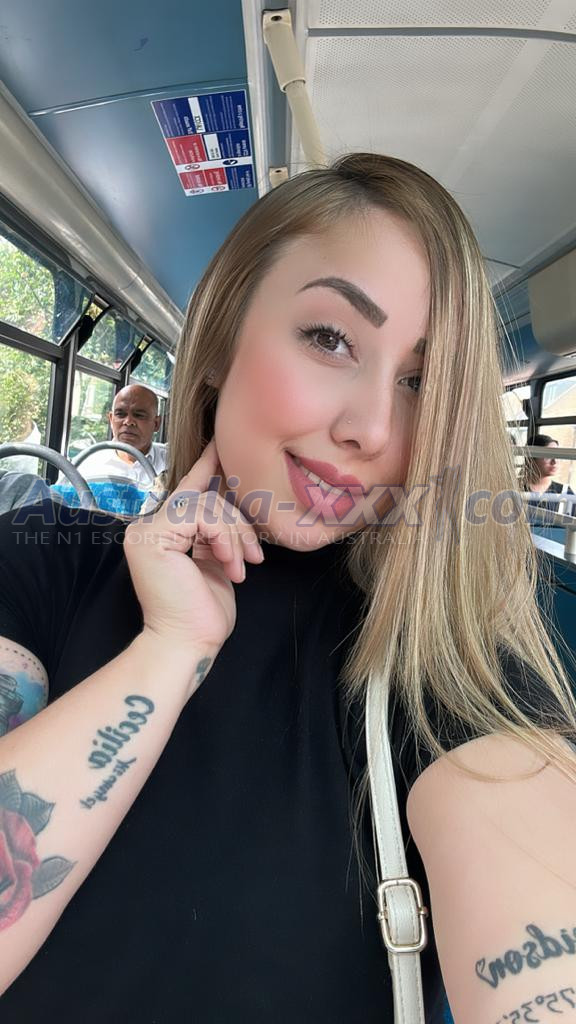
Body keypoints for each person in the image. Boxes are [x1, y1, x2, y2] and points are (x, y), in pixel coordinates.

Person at [0, 153, 574, 1024]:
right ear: (221, 343)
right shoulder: (39, 559)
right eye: (331, 339)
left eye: (420, 381)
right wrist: (169, 649)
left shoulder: (450, 668)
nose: (371, 428)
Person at [71, 383, 166, 488]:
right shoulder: (86, 463)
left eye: (139, 415)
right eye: (120, 414)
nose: (128, 422)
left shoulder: (172, 463)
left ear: (156, 423)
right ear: (111, 419)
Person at [520, 433, 575, 517]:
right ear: (531, 458)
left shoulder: (565, 492)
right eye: (548, 456)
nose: (554, 461)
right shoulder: (514, 488)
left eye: (557, 455)